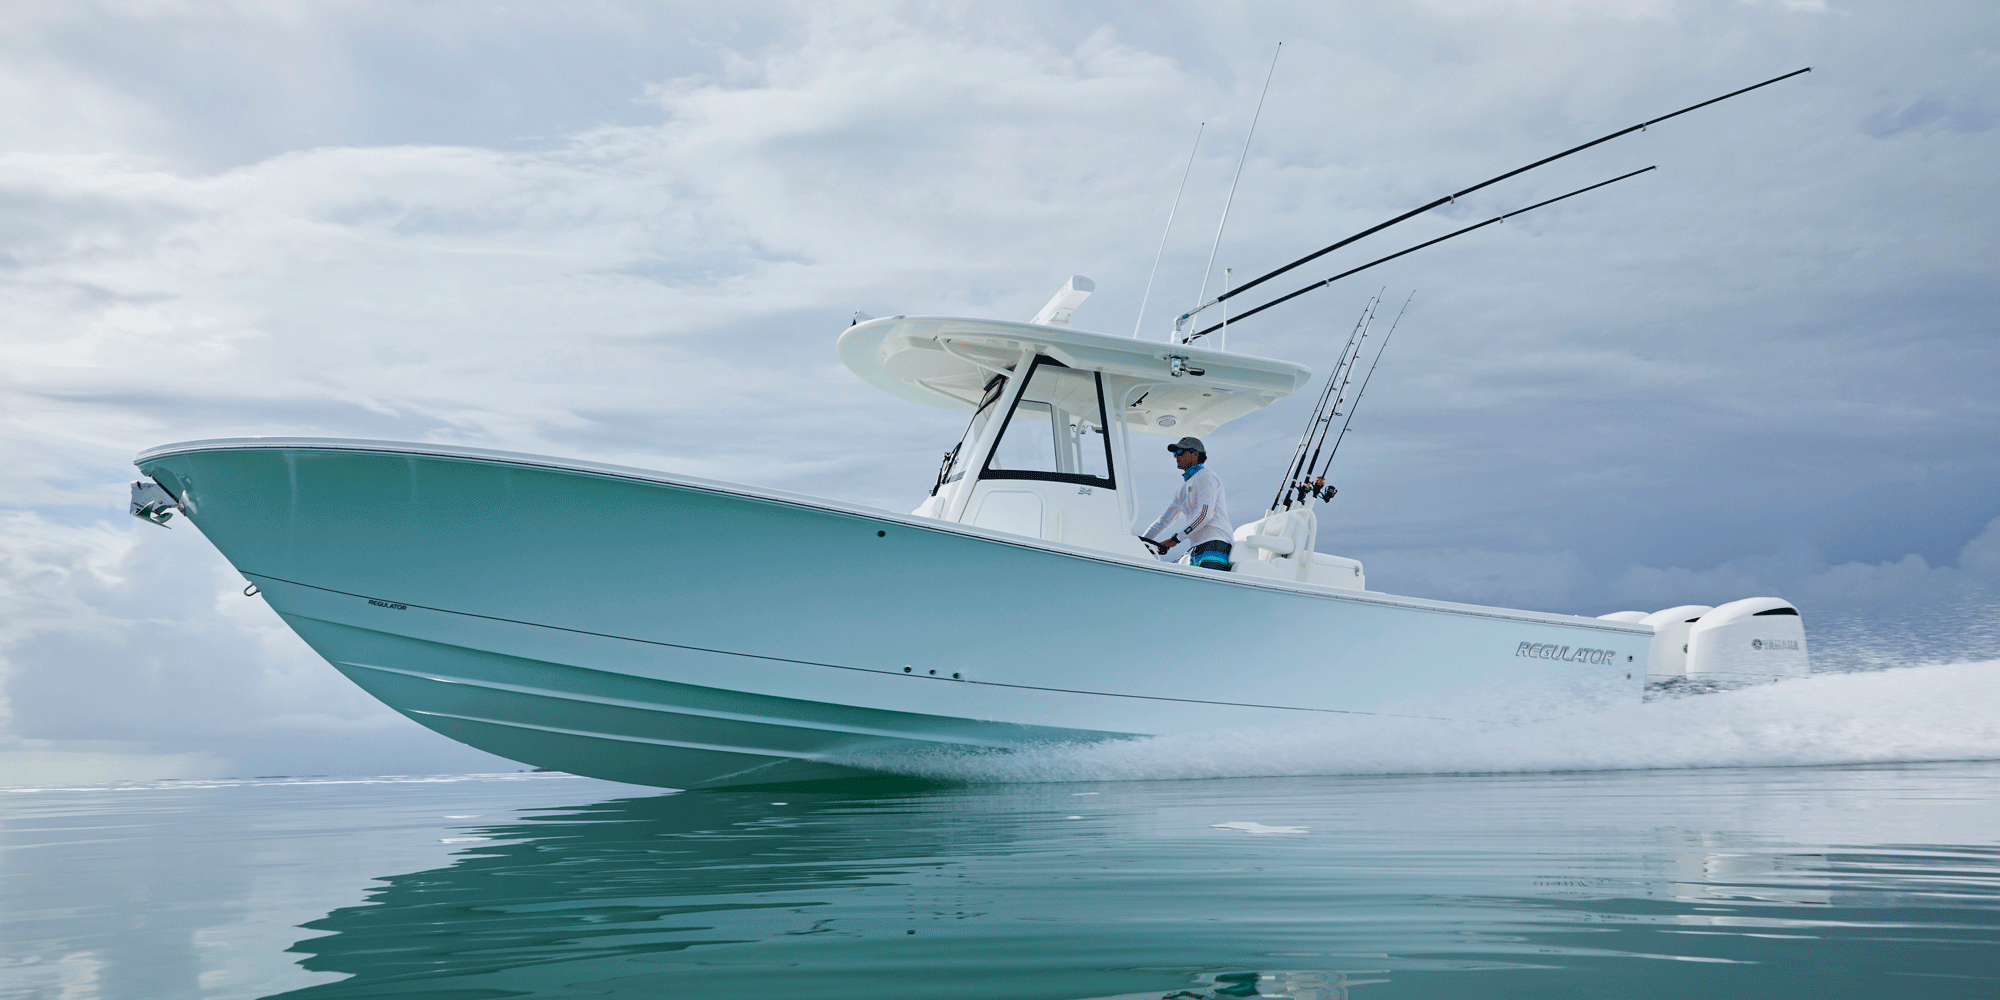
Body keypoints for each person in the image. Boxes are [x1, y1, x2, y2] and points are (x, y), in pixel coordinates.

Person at [1140, 436, 1233, 570]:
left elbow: (1205, 515)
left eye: (1180, 452)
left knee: (1206, 589)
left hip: (1216, 544)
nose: (1175, 456)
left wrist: (1175, 540)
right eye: (1174, 453)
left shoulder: (1206, 477)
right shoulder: (1183, 490)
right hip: (1196, 548)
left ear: (1195, 454)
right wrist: (1141, 543)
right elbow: (1163, 522)